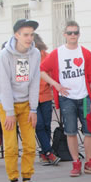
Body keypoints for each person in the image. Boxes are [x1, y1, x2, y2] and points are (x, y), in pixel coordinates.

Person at [40, 20, 91, 177]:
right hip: (66, 98)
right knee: (70, 131)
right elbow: (41, 70)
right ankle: (76, 162)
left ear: (79, 34)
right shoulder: (57, 53)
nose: (73, 35)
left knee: (90, 130)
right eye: (70, 33)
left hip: (84, 97)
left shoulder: (85, 53)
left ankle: (89, 162)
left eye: (75, 32)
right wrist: (55, 84)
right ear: (64, 35)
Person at [0, 19, 41, 182]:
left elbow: (35, 80)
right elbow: (4, 84)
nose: (29, 38)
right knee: (11, 146)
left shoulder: (35, 53)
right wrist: (9, 111)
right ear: (16, 35)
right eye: (25, 34)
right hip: (8, 104)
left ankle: (28, 180)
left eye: (31, 34)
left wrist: (34, 108)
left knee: (30, 144)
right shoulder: (4, 55)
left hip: (27, 105)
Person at [33, 33, 60, 166]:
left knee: (46, 125)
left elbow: (53, 74)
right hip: (31, 97)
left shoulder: (46, 56)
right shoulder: (25, 58)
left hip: (45, 96)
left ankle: (44, 153)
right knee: (38, 125)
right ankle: (49, 152)